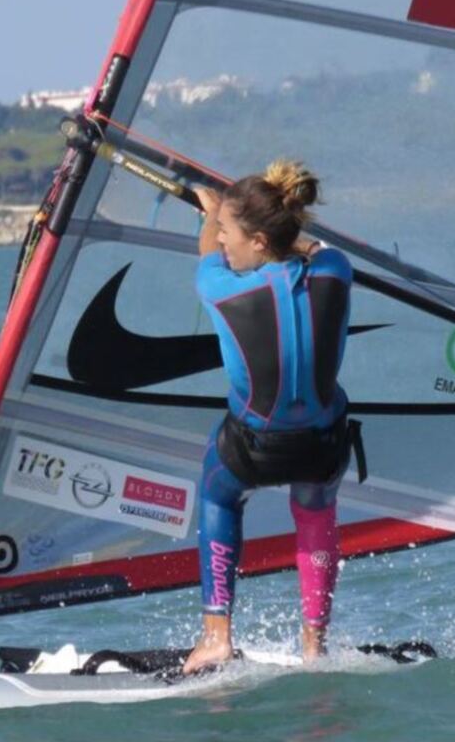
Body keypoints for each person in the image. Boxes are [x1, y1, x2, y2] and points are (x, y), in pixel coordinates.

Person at [183, 160, 353, 674]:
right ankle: (313, 645)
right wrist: (239, 219)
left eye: (233, 234)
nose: (225, 241)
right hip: (323, 447)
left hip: (252, 449)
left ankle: (217, 635)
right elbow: (309, 251)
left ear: (257, 240)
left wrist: (209, 214)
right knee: (316, 509)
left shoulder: (221, 287)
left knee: (217, 493)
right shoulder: (338, 270)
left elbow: (211, 254)